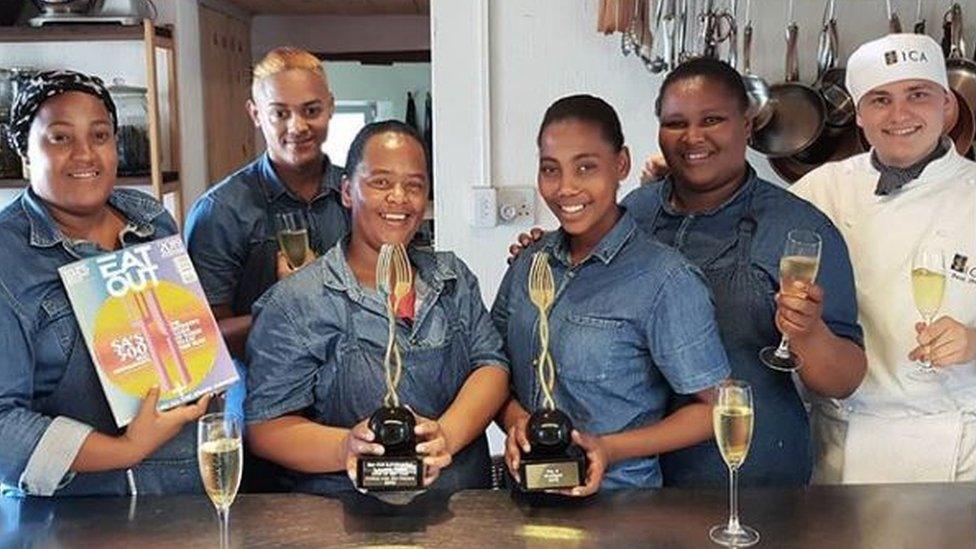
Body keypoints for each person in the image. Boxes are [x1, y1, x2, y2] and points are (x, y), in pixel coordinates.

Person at [512, 60, 866, 487]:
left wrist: (808, 332)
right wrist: (547, 250)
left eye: (712, 120)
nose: (693, 137)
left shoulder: (799, 230)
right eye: (676, 123)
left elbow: (843, 380)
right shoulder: (635, 211)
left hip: (751, 469)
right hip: (637, 476)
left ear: (748, 125)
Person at [243, 121, 509, 499]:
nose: (399, 198)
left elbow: (491, 365)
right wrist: (345, 447)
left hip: (461, 507)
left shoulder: (452, 279)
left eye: (414, 185)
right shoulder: (296, 301)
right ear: (348, 191)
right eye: (381, 182)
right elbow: (266, 427)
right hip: (344, 516)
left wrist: (446, 435)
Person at [493, 94, 732, 496]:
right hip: (523, 503)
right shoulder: (529, 264)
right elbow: (493, 370)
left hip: (620, 507)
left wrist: (608, 448)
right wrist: (516, 420)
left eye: (586, 167)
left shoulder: (665, 279)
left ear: (620, 164)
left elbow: (717, 410)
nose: (566, 188)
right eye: (551, 170)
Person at [0, 70, 209, 496]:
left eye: (100, 136)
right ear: (24, 153)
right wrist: (127, 449)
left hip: (187, 491)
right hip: (77, 513)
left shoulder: (151, 220)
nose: (84, 155)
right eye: (60, 138)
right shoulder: (8, 257)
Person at [790, 33, 976, 483]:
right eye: (879, 100)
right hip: (840, 440)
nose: (900, 115)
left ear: (946, 106)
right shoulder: (819, 191)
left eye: (918, 95)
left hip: (958, 447)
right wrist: (675, 186)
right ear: (858, 114)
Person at [184, 47, 349, 358]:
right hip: (259, 396)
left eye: (311, 110)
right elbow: (201, 339)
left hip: (349, 391)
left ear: (330, 108)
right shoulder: (220, 211)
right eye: (280, 113)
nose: (297, 127)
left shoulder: (355, 194)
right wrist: (287, 306)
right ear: (256, 114)